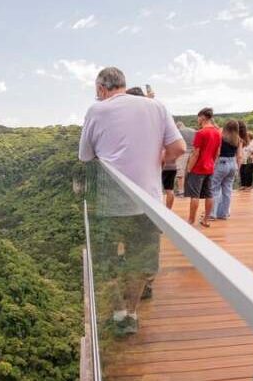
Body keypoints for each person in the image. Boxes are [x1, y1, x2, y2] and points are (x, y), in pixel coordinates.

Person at [79, 67, 185, 337]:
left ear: (102, 89)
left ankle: (117, 313)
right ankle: (133, 313)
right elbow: (178, 149)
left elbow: (85, 156)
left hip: (110, 204)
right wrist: (156, 159)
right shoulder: (156, 106)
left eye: (97, 92)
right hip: (147, 203)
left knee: (108, 260)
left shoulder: (97, 110)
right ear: (123, 85)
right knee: (141, 262)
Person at [185, 107, 221, 226]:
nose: (197, 120)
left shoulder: (200, 133)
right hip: (210, 167)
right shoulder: (217, 132)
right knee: (209, 194)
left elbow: (196, 153)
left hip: (198, 168)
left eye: (198, 117)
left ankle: (191, 220)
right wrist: (212, 163)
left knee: (194, 195)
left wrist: (189, 168)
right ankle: (206, 220)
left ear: (202, 117)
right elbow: (217, 152)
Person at [209, 120, 243, 220]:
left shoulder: (221, 137)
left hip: (221, 163)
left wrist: (213, 164)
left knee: (214, 188)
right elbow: (240, 156)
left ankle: (212, 213)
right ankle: (223, 214)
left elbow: (218, 152)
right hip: (233, 164)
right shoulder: (238, 139)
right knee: (227, 190)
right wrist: (238, 168)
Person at [175, 121, 196, 197]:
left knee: (180, 173)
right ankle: (189, 191)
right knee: (189, 173)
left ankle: (181, 192)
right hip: (193, 153)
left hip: (183, 153)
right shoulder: (193, 131)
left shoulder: (178, 131)